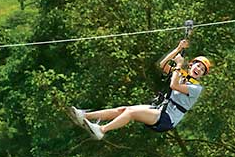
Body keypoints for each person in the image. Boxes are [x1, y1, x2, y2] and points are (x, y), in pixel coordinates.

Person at [67, 39, 212, 140]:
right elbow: (162, 65)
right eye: (197, 65)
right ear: (191, 65)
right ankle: (84, 116)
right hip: (160, 108)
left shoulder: (195, 88)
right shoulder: (181, 75)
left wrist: (179, 66)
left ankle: (102, 130)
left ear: (202, 75)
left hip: (167, 118)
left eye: (202, 69)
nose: (198, 69)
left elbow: (174, 86)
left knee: (130, 113)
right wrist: (178, 49)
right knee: (123, 109)